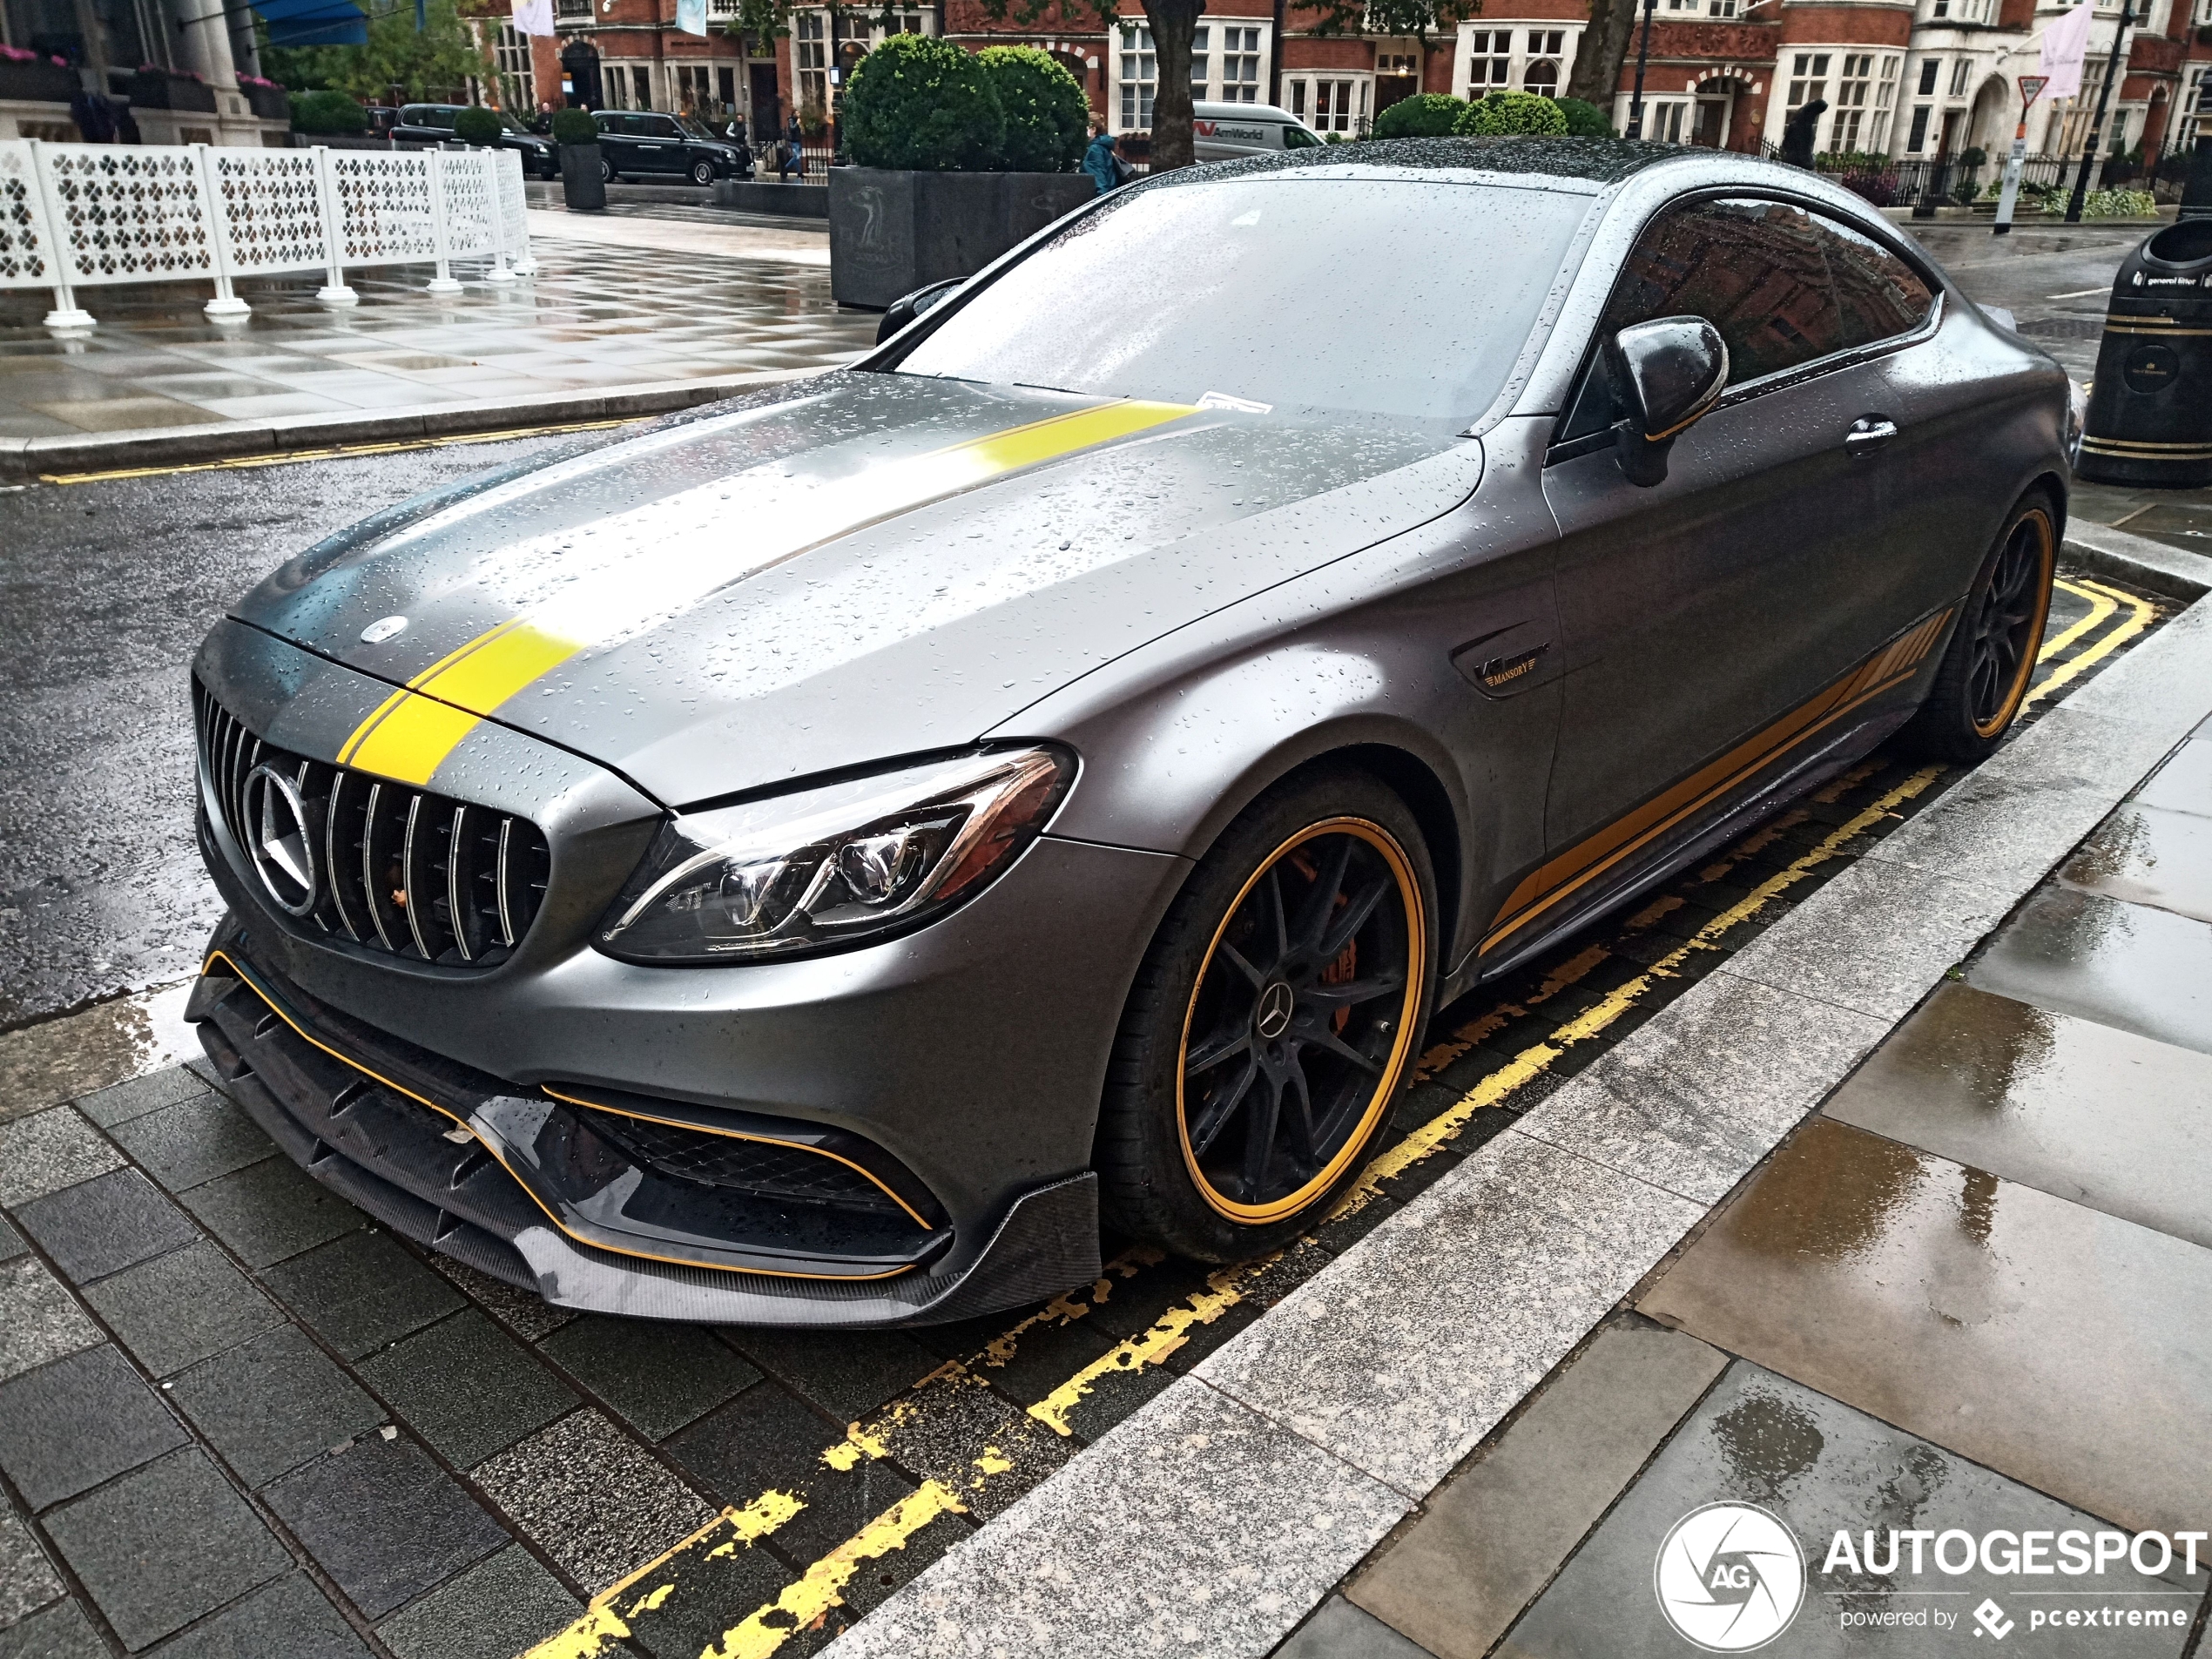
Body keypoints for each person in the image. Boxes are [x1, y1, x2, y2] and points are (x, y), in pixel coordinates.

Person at [1779, 98, 1824, 170]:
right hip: (1802, 163)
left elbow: (1785, 144)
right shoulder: (1807, 129)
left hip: (1792, 161)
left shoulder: (1795, 125)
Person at [1082, 123, 1122, 196]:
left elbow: (1099, 179)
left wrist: (1101, 201)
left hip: (1100, 197)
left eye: (1085, 128)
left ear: (1093, 129)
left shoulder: (1095, 149)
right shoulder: (1103, 146)